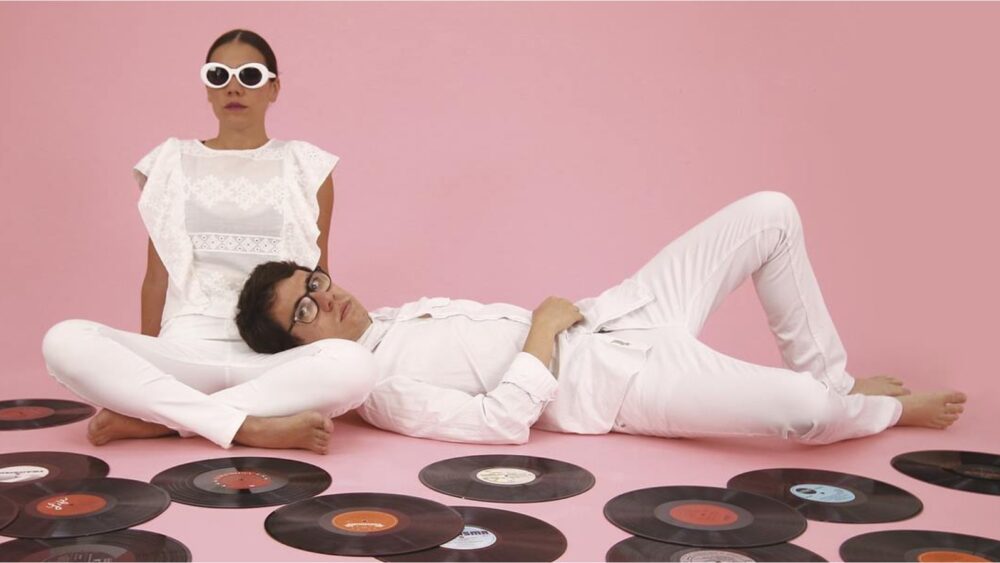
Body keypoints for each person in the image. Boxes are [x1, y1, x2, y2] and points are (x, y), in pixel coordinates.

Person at [235, 191, 966, 445]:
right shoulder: (380, 390)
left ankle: (838, 380)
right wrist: (541, 331)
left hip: (619, 311)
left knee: (771, 213)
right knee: (805, 410)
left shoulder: (395, 316)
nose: (327, 295)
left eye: (315, 280)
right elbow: (498, 423)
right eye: (306, 308)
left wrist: (566, 320)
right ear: (298, 347)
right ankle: (870, 409)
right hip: (624, 387)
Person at [41, 29, 376, 454]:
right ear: (207, 89)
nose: (233, 87)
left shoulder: (307, 165)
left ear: (274, 87)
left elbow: (318, 273)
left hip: (273, 357)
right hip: (186, 348)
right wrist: (147, 361)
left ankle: (166, 422)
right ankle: (252, 427)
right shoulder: (169, 161)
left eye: (249, 75)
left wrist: (141, 398)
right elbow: (156, 278)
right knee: (63, 340)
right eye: (219, 75)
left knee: (356, 366)